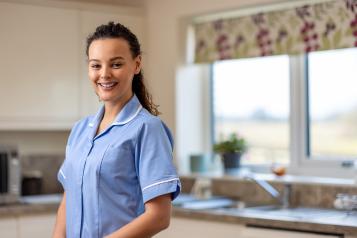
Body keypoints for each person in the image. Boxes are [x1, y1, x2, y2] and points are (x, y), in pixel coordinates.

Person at [52, 21, 181, 238]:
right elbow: (69, 199)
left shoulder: (147, 129)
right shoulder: (80, 130)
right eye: (96, 65)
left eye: (116, 64)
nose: (104, 74)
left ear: (136, 64)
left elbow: (159, 216)